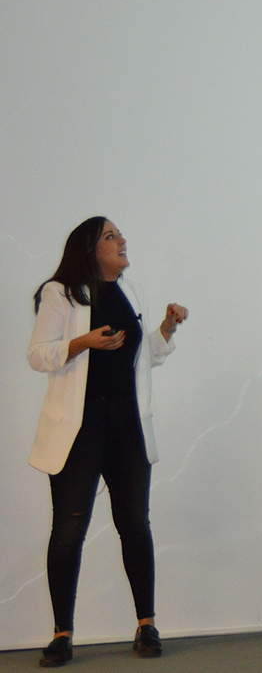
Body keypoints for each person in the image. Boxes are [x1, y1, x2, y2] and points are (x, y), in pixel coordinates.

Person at [26, 218, 189, 667]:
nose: (122, 241)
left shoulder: (132, 292)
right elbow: (38, 355)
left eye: (119, 235)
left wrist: (167, 328)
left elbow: (143, 357)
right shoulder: (62, 293)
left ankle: (146, 625)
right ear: (89, 248)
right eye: (111, 236)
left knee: (135, 524)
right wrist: (82, 342)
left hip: (127, 425)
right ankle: (62, 634)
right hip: (80, 428)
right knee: (69, 529)